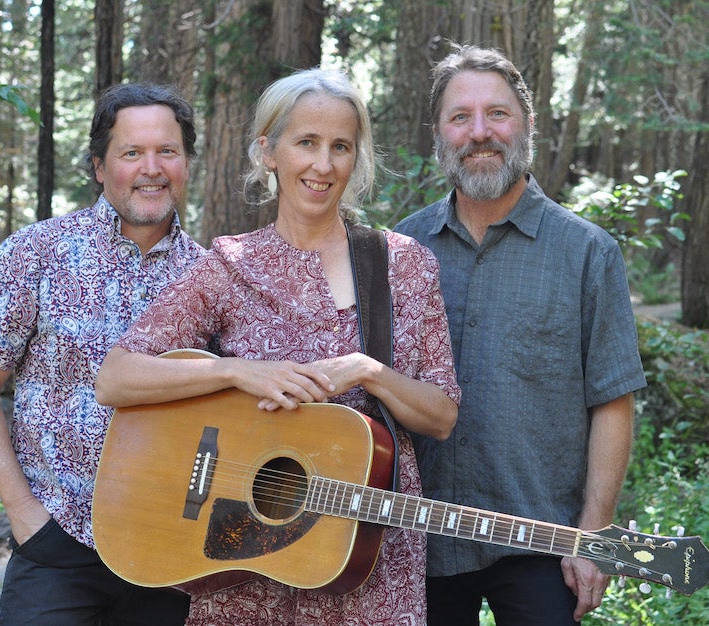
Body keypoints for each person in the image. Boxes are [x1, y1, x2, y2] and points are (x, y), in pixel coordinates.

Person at [95, 68, 461, 625]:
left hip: (367, 567)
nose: (323, 165)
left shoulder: (402, 264)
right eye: (306, 143)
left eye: (341, 146)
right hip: (244, 571)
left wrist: (368, 370)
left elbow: (441, 416)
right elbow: (116, 378)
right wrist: (237, 372)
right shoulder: (228, 264)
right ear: (268, 151)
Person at [394, 44, 648, 625]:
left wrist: (595, 531)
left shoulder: (587, 252)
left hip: (544, 545)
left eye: (497, 114)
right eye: (461, 117)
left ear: (527, 124)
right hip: (420, 538)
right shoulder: (402, 249)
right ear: (439, 133)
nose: (480, 133)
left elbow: (612, 398)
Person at [0, 83, 206, 625]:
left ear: (186, 162)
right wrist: (24, 515)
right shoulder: (34, 254)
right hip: (57, 539)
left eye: (168, 151)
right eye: (131, 153)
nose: (152, 168)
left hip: (168, 551)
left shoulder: (210, 277)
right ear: (98, 166)